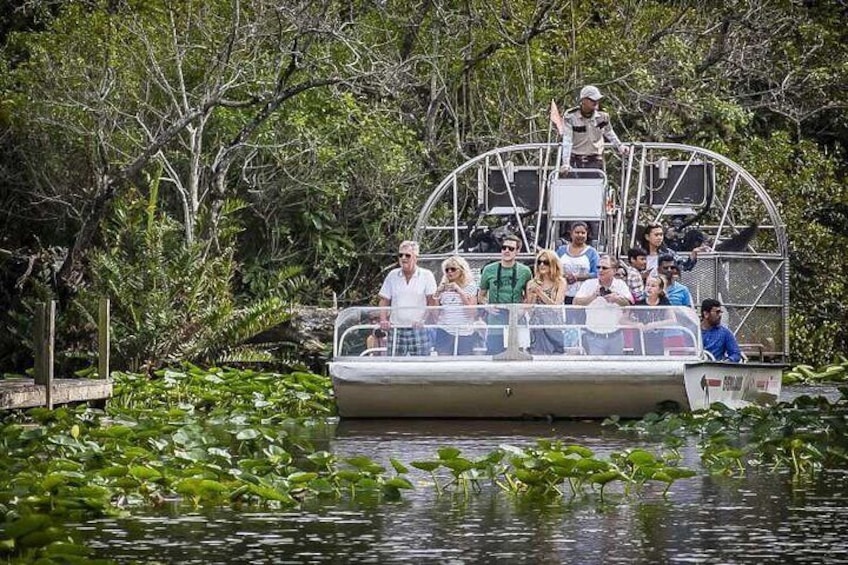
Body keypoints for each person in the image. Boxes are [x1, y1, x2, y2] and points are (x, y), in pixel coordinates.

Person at [377, 240, 437, 356]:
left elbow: (432, 301)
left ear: (416, 257)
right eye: (400, 255)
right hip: (396, 329)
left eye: (407, 255)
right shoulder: (392, 275)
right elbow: (384, 300)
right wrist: (383, 320)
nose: (403, 258)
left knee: (421, 365)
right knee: (393, 365)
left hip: (419, 329)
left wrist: (423, 320)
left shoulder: (427, 275)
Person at [478, 234, 534, 354]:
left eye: (511, 248)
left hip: (516, 319)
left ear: (518, 251)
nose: (506, 251)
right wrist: (487, 306)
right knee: (494, 356)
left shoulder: (525, 271)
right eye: (504, 248)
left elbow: (529, 298)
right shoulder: (489, 269)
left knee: (519, 356)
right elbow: (481, 296)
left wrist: (522, 310)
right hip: (495, 320)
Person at [558, 85, 629, 174]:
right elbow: (567, 140)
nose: (596, 102)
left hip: (595, 160)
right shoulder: (571, 117)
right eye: (592, 100)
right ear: (583, 100)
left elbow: (609, 132)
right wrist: (566, 163)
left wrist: (620, 146)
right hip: (575, 159)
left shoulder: (602, 117)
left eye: (597, 99)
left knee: (595, 185)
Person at [574, 255, 633, 355]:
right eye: (598, 267)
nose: (600, 270)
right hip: (593, 337)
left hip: (616, 336)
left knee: (616, 369)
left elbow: (629, 304)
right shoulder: (589, 284)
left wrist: (617, 299)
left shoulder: (621, 284)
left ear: (614, 271)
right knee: (596, 369)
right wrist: (593, 296)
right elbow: (575, 303)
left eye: (604, 268)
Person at [433, 256, 478, 355]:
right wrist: (437, 294)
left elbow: (472, 312)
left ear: (461, 270)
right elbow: (435, 314)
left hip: (464, 331)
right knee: (443, 363)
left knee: (463, 364)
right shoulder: (443, 286)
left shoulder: (470, 286)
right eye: (447, 270)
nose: (449, 272)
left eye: (453, 269)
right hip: (445, 330)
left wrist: (459, 291)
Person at [524, 249, 566, 354]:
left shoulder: (560, 282)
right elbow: (529, 308)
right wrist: (533, 294)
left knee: (556, 357)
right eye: (539, 262)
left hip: (554, 326)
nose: (542, 265)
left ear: (552, 264)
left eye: (546, 262)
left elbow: (556, 306)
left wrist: (540, 293)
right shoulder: (531, 283)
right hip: (537, 327)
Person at [555, 221, 599, 305]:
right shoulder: (561, 250)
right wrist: (564, 276)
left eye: (583, 233)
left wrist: (577, 277)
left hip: (584, 295)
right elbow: (554, 269)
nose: (580, 235)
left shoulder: (592, 252)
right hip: (562, 294)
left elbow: (597, 273)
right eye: (577, 232)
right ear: (571, 234)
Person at [631, 275, 674, 355]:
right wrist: (636, 324)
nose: (649, 288)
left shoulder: (664, 302)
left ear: (660, 290)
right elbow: (624, 320)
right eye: (647, 285)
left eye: (653, 286)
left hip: (657, 342)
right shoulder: (639, 303)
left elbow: (672, 320)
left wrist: (654, 325)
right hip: (640, 340)